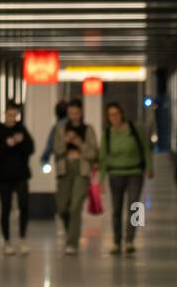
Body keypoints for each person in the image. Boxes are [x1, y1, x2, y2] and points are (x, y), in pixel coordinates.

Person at [98, 101, 153, 255]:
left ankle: (130, 240)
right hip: (115, 174)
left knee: (136, 206)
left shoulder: (135, 129)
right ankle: (117, 241)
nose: (114, 117)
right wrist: (101, 180)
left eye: (116, 114)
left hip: (135, 172)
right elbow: (103, 158)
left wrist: (149, 167)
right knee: (116, 209)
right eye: (110, 115)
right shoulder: (107, 134)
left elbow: (145, 148)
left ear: (122, 114)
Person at [52, 99, 98, 255]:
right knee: (62, 208)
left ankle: (72, 242)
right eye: (70, 113)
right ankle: (70, 232)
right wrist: (65, 142)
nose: (73, 116)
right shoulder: (61, 129)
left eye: (76, 113)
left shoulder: (88, 129)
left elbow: (93, 153)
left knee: (75, 207)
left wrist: (79, 143)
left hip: (81, 170)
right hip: (64, 170)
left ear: (81, 113)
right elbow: (57, 150)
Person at [0, 103, 34, 255]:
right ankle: (7, 241)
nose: (12, 118)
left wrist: (20, 143)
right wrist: (6, 145)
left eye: (14, 115)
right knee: (6, 207)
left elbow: (30, 149)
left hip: (21, 174)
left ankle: (23, 238)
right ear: (5, 114)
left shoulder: (21, 130)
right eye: (9, 114)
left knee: (24, 205)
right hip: (3, 176)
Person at [40, 99, 69, 171]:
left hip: (61, 163)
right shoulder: (74, 125)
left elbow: (49, 145)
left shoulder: (56, 127)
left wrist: (44, 159)